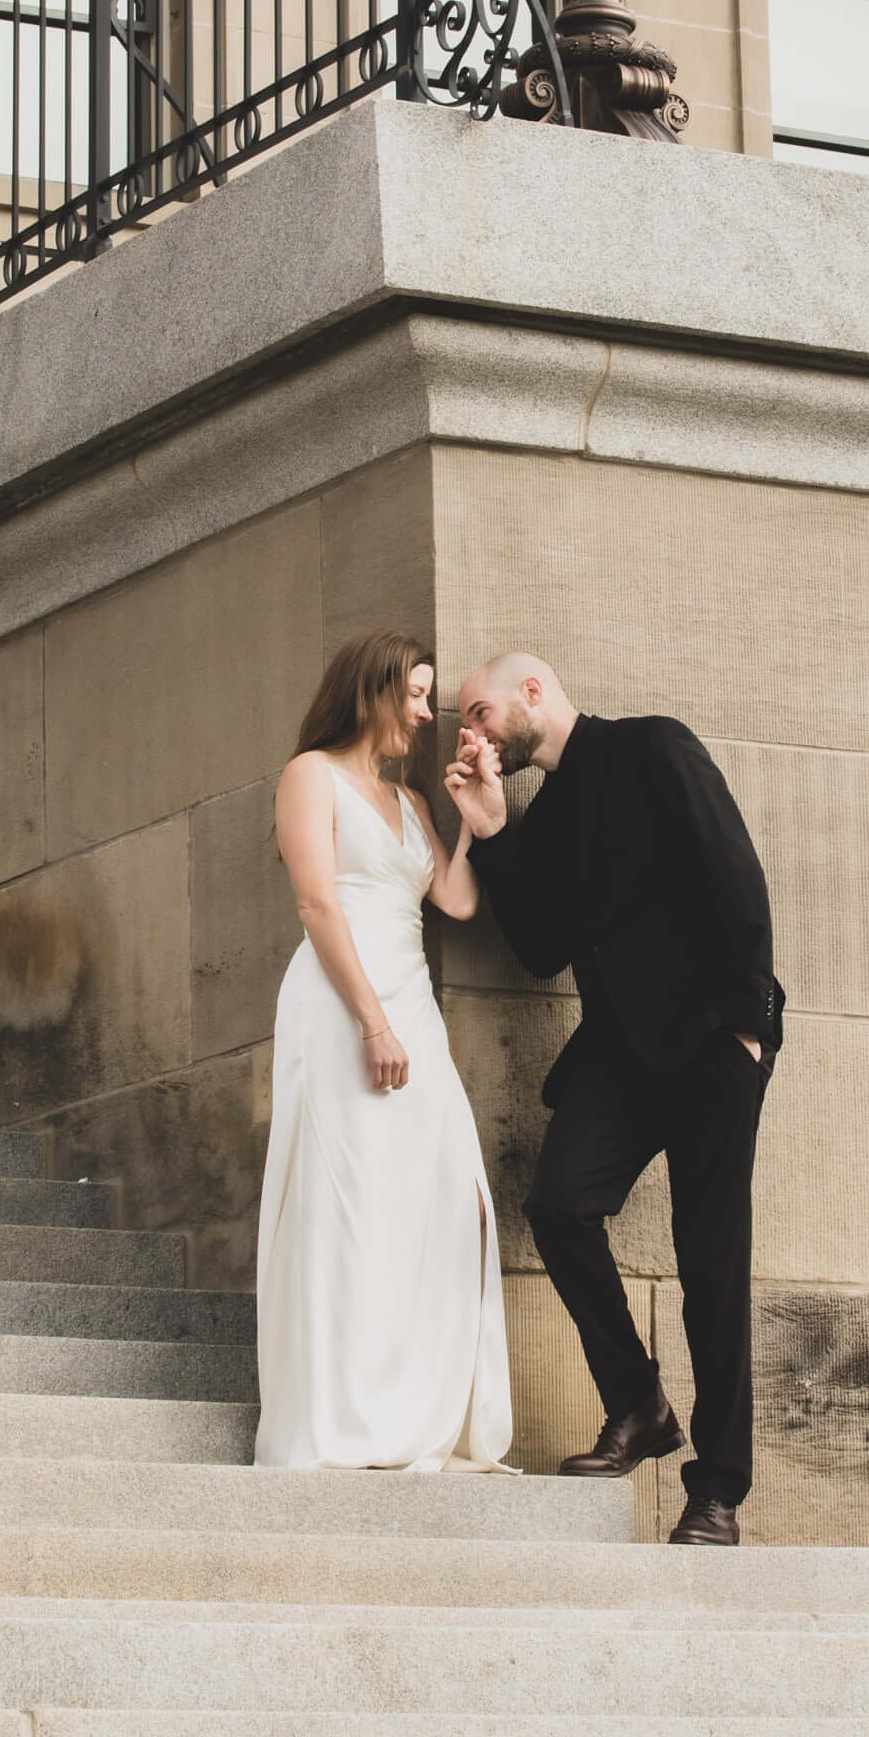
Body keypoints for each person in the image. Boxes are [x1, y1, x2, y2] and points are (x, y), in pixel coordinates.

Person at [447, 653, 783, 1546]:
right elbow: (540, 951)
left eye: (479, 710)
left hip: (715, 1041)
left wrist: (749, 1025)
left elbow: (735, 872)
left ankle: (717, 1493)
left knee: (711, 1265)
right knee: (558, 1207)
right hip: (620, 1059)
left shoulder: (655, 748)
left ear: (533, 690)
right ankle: (640, 1404)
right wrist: (490, 830)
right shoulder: (543, 815)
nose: (471, 733)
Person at [254, 630, 511, 1472]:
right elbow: (318, 906)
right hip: (342, 1006)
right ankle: (340, 1417)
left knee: (443, 1196)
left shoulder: (407, 801)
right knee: (347, 1199)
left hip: (413, 1007)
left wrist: (475, 824)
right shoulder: (309, 776)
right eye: (413, 695)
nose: (423, 713)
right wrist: (372, 1021)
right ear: (371, 691)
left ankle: (411, 1407)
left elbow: (457, 901)